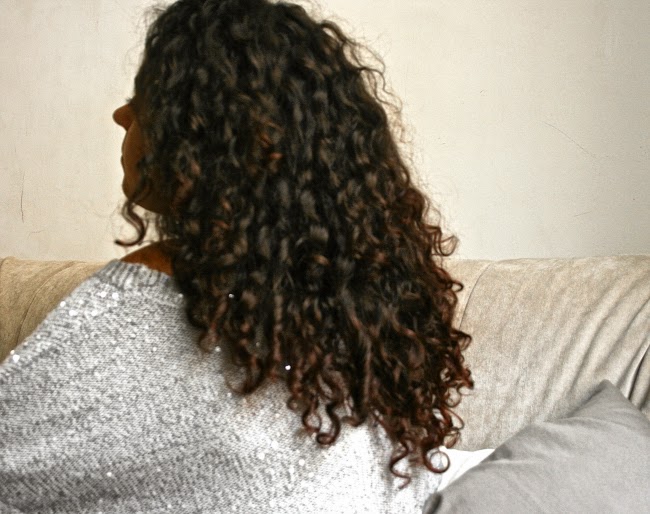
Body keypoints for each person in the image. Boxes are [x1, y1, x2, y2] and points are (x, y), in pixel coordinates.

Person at [0, 0, 477, 512]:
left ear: (204, 138)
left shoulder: (149, 296)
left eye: (147, 97)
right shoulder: (369, 309)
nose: (122, 114)